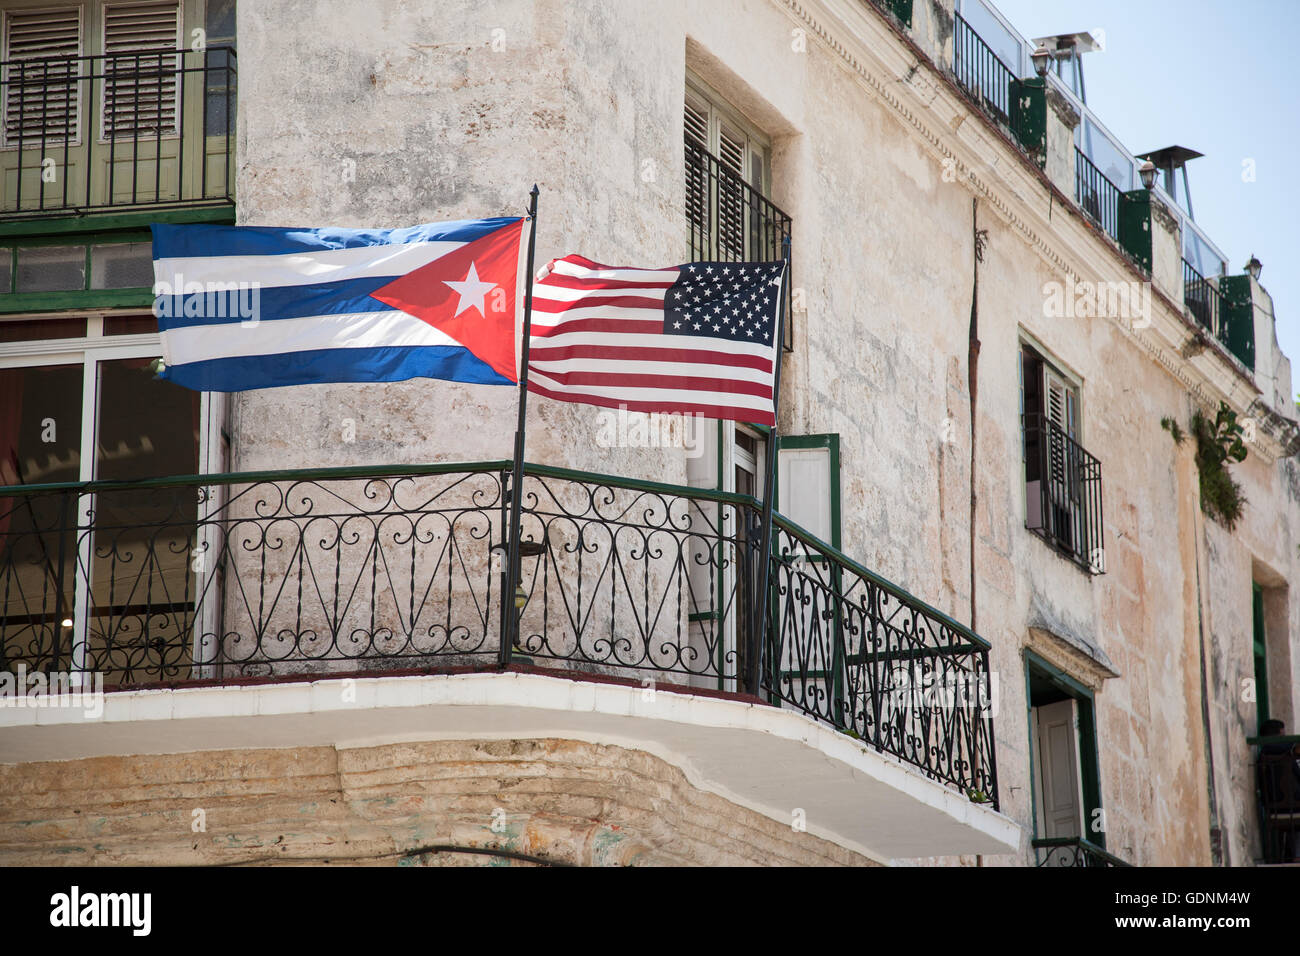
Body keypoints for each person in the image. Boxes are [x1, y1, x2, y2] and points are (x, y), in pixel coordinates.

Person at [1257, 718, 1300, 862]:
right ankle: (1294, 855)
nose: (1286, 738)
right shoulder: (1279, 750)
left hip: (1276, 806)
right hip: (1290, 806)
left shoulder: (1266, 753)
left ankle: (1292, 855)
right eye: (1283, 735)